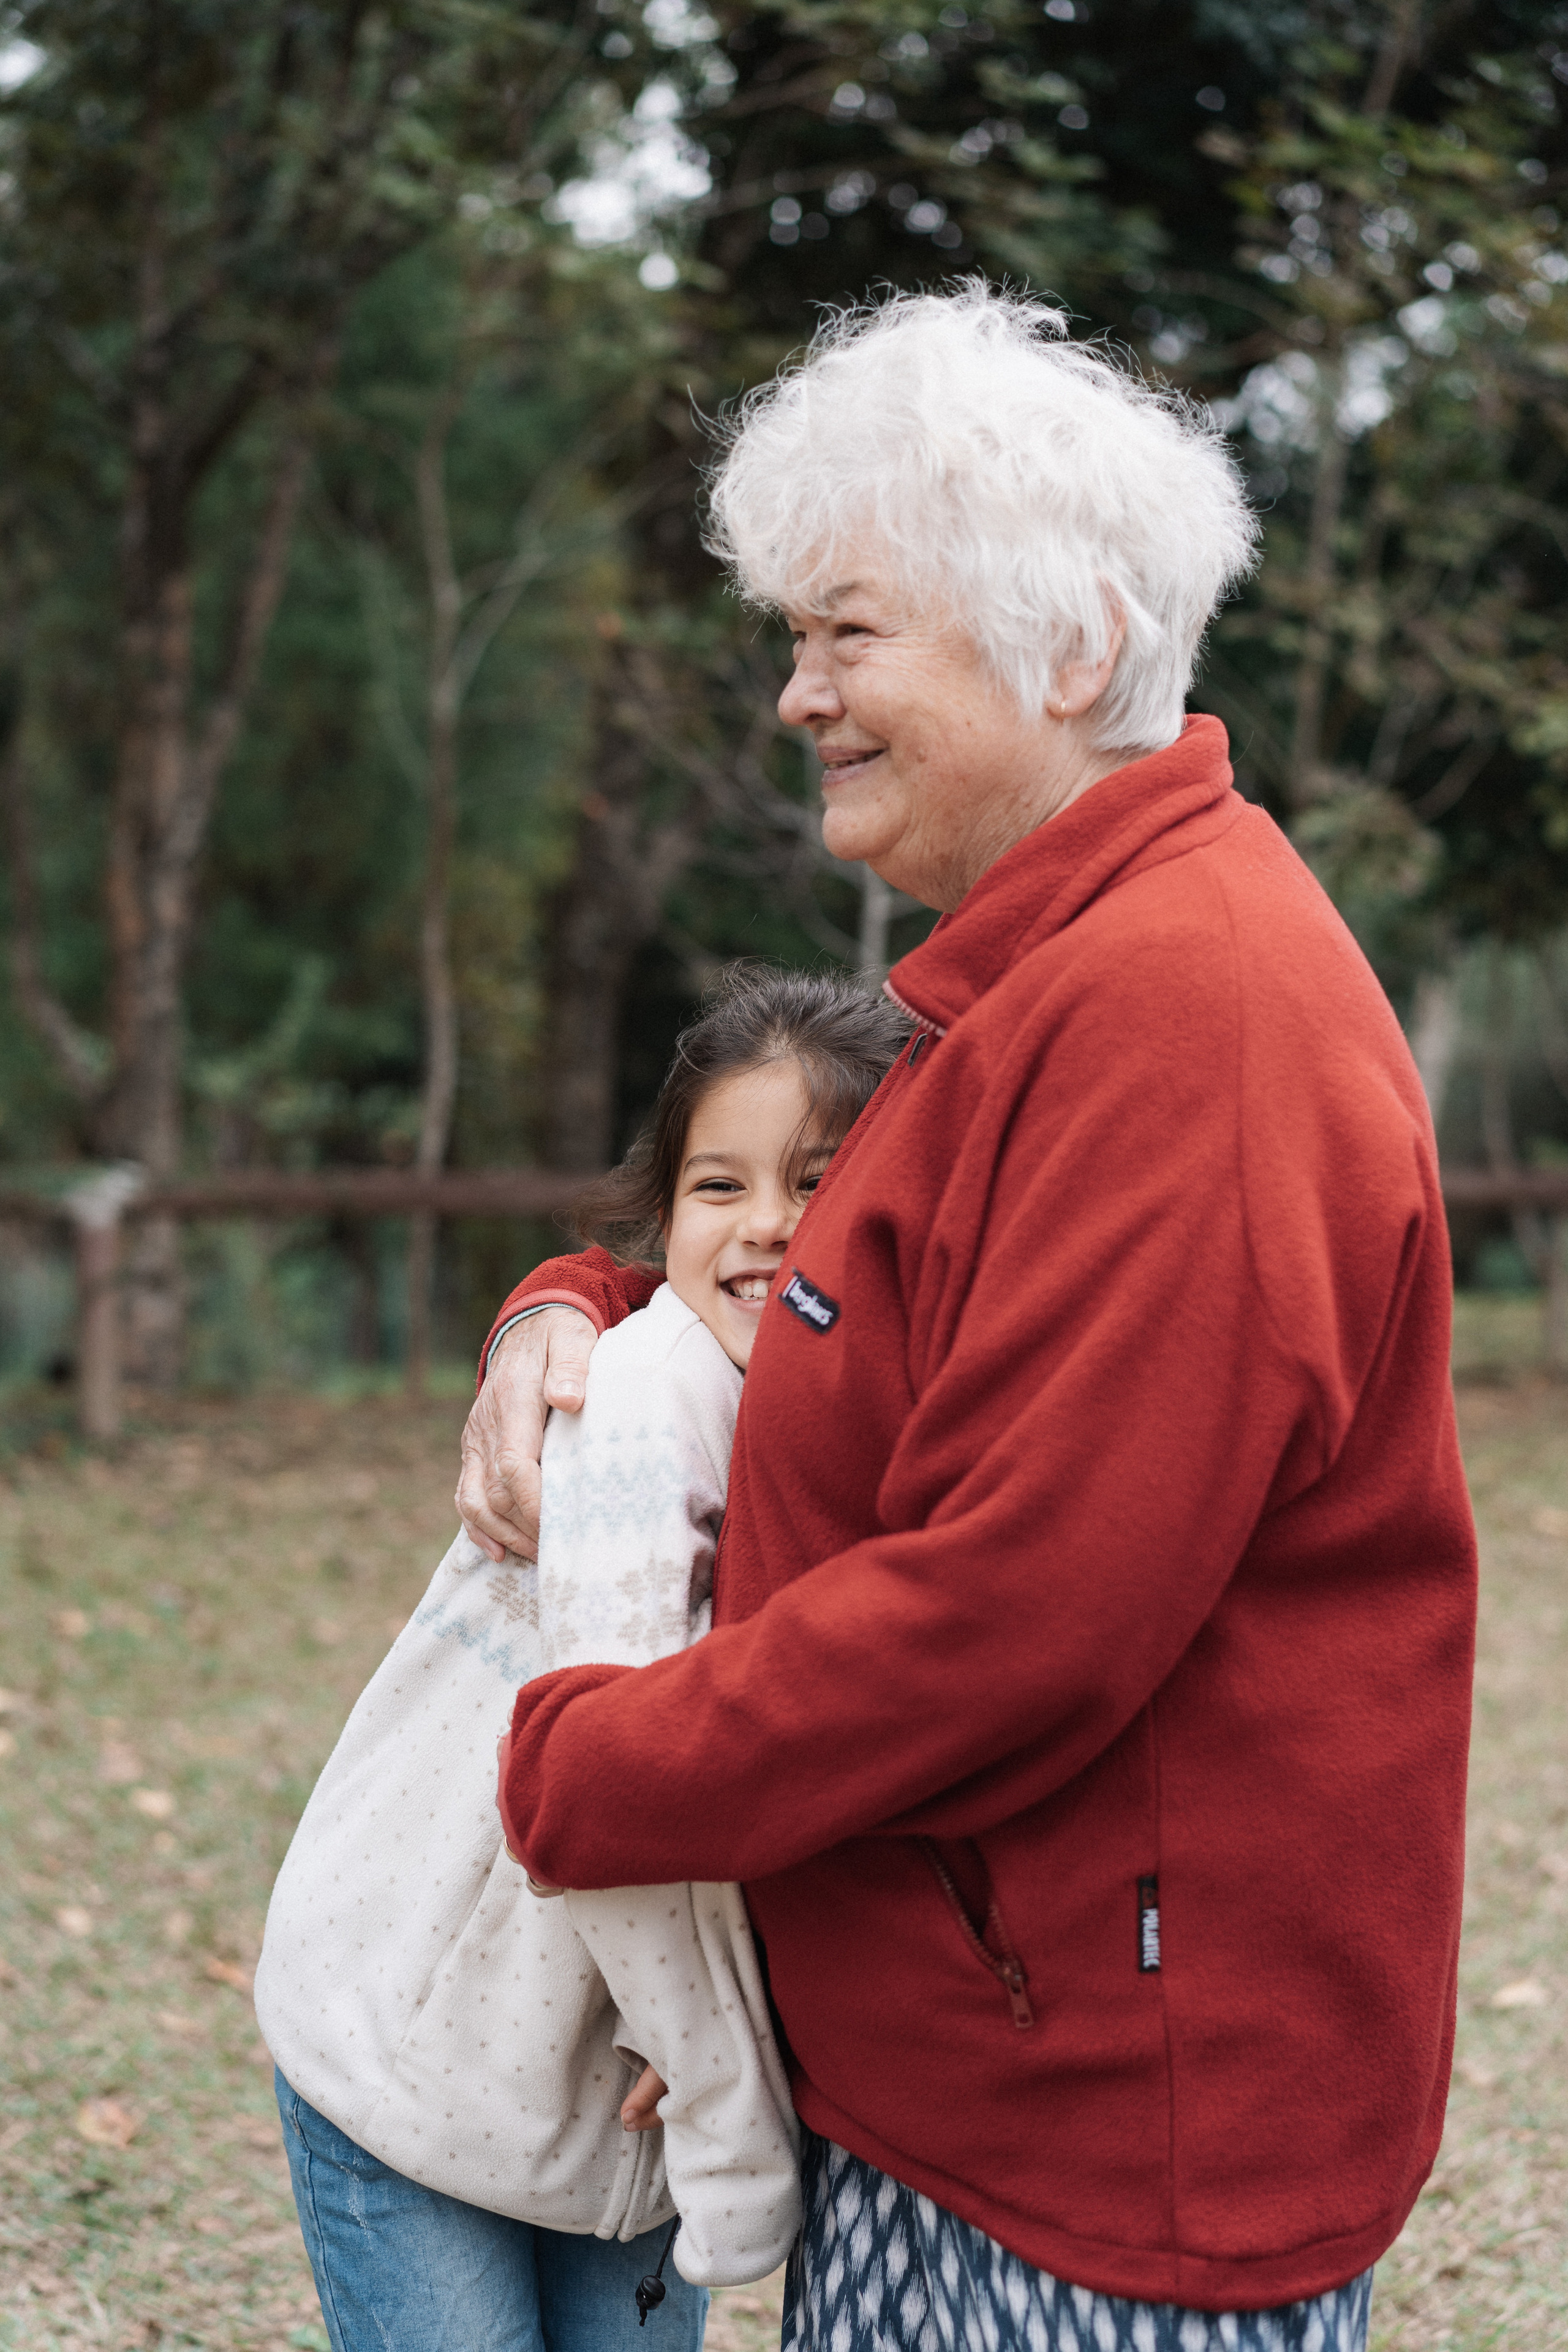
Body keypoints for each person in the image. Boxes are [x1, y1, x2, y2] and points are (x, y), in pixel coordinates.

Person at [459, 285, 1477, 2352]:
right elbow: (831, 1284)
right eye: (793, 642)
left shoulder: (1192, 1015)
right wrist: (570, 1306)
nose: (795, 696)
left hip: (1116, 2140)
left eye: (844, 634)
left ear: (1071, 651)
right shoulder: (1042, 982)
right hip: (973, 2072)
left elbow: (1026, 1609)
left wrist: (600, 1769)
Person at [256, 966, 905, 2352]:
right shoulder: (634, 1411)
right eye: (717, 1187)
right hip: (416, 2058)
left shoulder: (867, 1426)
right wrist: (727, 2066)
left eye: (818, 1180)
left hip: (613, 2106)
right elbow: (606, 1787)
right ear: (662, 1211)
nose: (770, 1227)